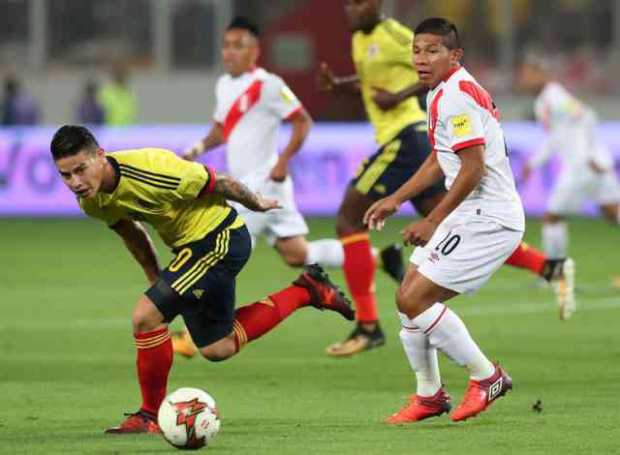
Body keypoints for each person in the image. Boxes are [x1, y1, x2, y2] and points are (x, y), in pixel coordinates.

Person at [50, 125, 354, 434]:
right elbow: (132, 233)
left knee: (145, 316)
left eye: (80, 170)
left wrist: (255, 204)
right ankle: (307, 291)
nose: (75, 182)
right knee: (217, 347)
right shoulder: (91, 200)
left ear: (100, 156)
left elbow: (218, 181)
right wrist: (157, 278)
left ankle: (149, 415)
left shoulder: (152, 168)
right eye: (66, 175)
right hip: (189, 251)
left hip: (220, 238)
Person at [317, 0, 575, 357]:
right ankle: (547, 267)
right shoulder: (367, 40)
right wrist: (343, 85)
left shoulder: (408, 46)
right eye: (349, 3)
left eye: (360, 3)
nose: (351, 9)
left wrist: (398, 96)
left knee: (350, 220)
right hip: (427, 146)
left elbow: (470, 162)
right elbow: (380, 79)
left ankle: (369, 324)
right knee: (447, 231)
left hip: (404, 135)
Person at [175, 16, 400, 358]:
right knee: (296, 254)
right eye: (226, 45)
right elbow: (222, 130)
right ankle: (377, 258)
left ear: (255, 50)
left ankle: (194, 334)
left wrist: (283, 161)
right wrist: (195, 150)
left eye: (239, 45)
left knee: (218, 249)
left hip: (265, 182)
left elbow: (302, 120)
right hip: (245, 183)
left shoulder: (268, 84)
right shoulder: (224, 85)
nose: (230, 52)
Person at [364, 17, 523, 423]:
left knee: (414, 300)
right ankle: (429, 395)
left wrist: (433, 219)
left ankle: (487, 376)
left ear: (455, 55)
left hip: (490, 217)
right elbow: (440, 159)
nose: (421, 58)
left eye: (432, 50)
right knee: (407, 299)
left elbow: (472, 168)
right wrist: (396, 199)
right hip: (472, 211)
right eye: (417, 50)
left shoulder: (456, 97)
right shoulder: (442, 92)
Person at [519, 56, 620, 261]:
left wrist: (591, 155)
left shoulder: (554, 96)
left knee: (552, 217)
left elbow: (587, 116)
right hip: (593, 164)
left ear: (541, 75)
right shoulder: (544, 101)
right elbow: (555, 138)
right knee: (612, 213)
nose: (524, 80)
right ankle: (557, 272)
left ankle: (555, 272)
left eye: (528, 75)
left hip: (582, 165)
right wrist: (533, 162)